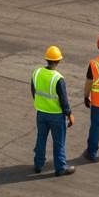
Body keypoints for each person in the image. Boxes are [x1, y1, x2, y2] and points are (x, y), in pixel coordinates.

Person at [31, 45, 76, 176]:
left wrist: (41, 104)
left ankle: (38, 165)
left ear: (47, 60)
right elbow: (64, 100)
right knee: (59, 142)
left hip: (41, 113)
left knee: (41, 139)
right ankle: (61, 167)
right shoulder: (58, 78)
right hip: (56, 116)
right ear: (58, 61)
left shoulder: (37, 73)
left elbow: (34, 92)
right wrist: (69, 114)